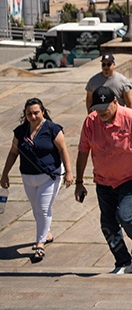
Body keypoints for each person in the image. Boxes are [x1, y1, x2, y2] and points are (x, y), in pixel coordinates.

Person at [76, 86, 132, 275]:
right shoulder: (91, 122)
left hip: (131, 178)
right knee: (108, 224)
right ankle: (123, 262)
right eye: (97, 108)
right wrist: (79, 182)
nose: (101, 112)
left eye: (105, 108)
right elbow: (83, 151)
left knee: (124, 215)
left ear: (115, 102)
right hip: (103, 180)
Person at [1, 98, 74, 263]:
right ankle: (46, 233)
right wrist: (5, 174)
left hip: (50, 176)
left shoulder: (53, 129)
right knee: (36, 208)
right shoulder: (20, 131)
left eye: (36, 113)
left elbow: (63, 150)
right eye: (29, 114)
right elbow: (13, 152)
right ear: (25, 114)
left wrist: (69, 173)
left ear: (42, 112)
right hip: (28, 177)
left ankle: (40, 244)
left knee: (43, 208)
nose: (33, 116)